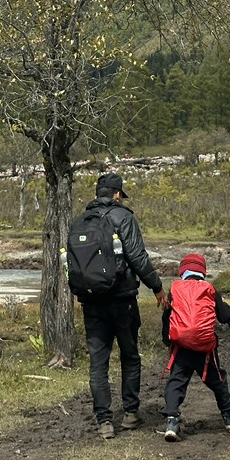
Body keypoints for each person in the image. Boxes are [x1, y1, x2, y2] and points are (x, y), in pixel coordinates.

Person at [71, 172, 168, 439]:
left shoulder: (80, 221)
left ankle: (104, 421)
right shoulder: (124, 217)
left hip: (91, 301)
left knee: (98, 363)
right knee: (130, 356)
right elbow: (138, 257)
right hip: (122, 298)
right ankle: (130, 413)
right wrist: (157, 287)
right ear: (117, 194)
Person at [161, 253, 230, 442]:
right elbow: (225, 317)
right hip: (205, 349)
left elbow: (167, 318)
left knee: (176, 381)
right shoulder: (209, 289)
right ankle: (229, 413)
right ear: (203, 272)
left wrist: (167, 340)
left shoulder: (175, 289)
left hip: (181, 347)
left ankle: (171, 421)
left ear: (183, 271)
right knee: (216, 379)